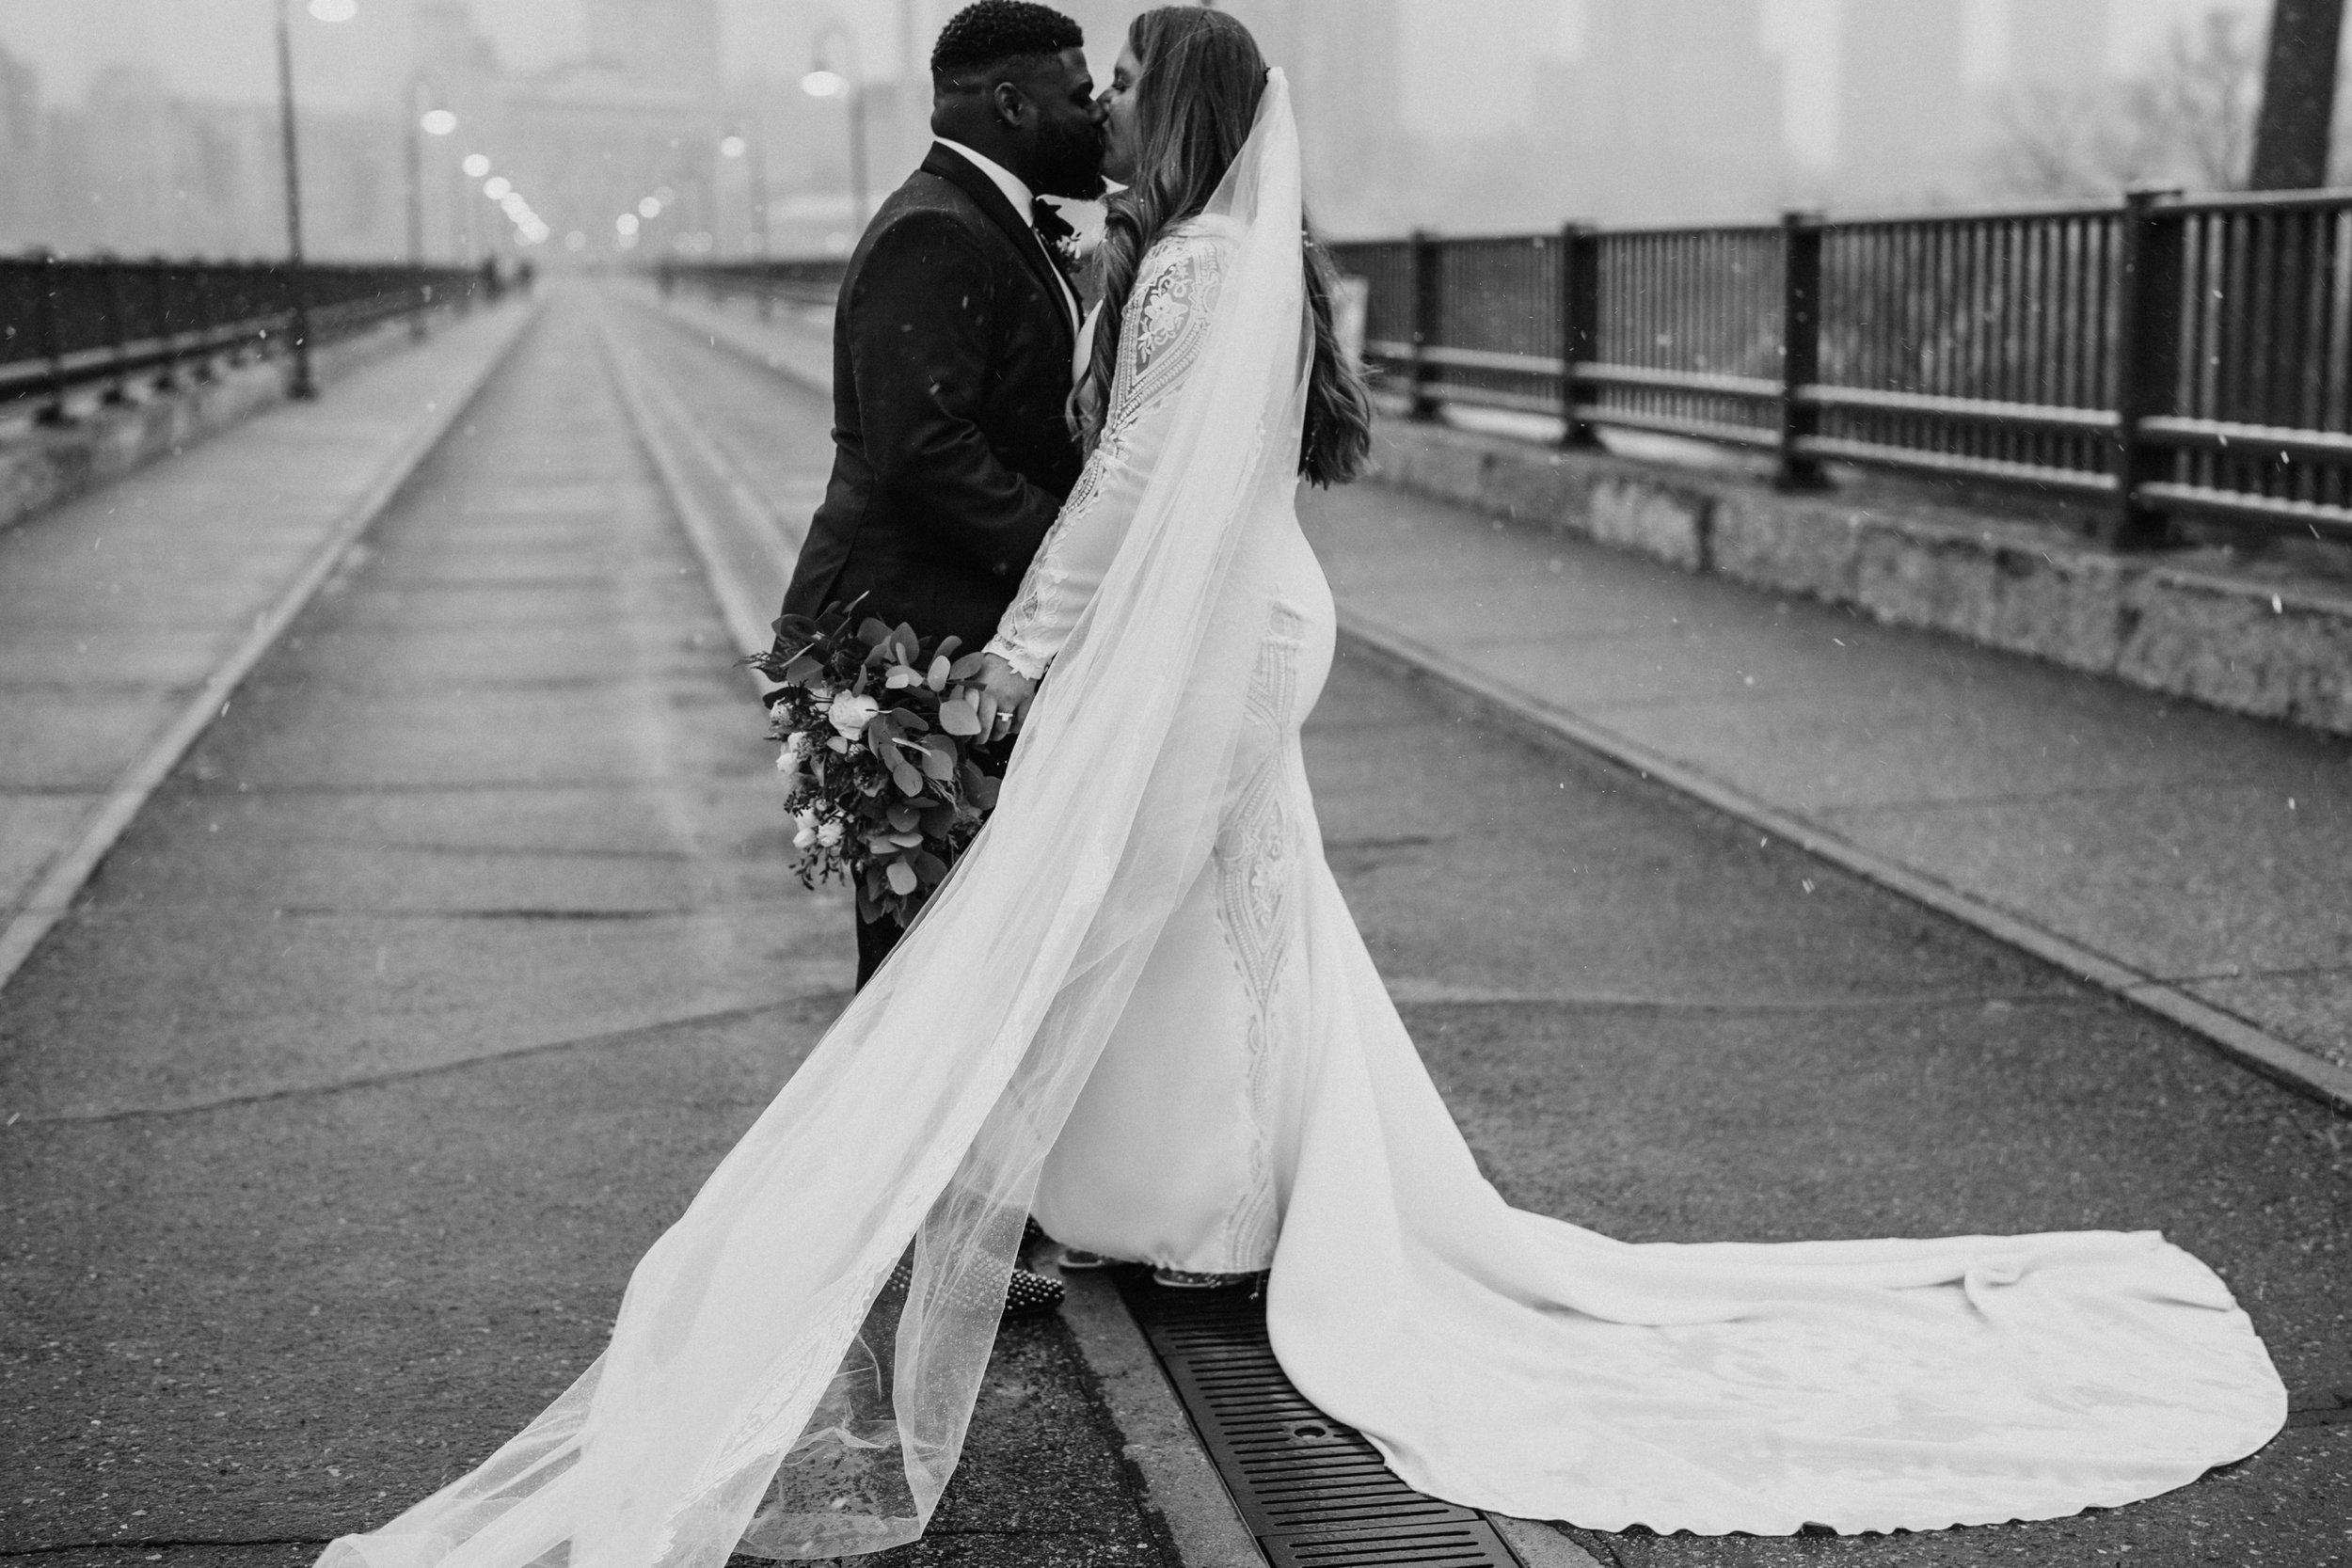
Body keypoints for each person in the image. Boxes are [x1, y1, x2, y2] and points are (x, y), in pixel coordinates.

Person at [319, 10, 2286, 1568]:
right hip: (1244, 620)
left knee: (1118, 911)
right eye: (1077, 84)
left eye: (1125, 85)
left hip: (1209, 633)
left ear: (1174, 111)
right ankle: (1174, 1197)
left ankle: (1161, 1208)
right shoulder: (1205, 258)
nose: (1099, 108)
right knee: (1210, 914)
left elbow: (1114, 490)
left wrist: (1013, 658)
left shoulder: (1180, 279)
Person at [774, 0, 1104, 992]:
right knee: (923, 965)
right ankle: (901, 1149)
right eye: (1079, 97)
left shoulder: (982, 220)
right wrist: (1076, 563)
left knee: (965, 952)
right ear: (1011, 102)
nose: (1094, 119)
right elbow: (925, 451)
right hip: (902, 640)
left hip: (946, 625)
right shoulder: (934, 229)